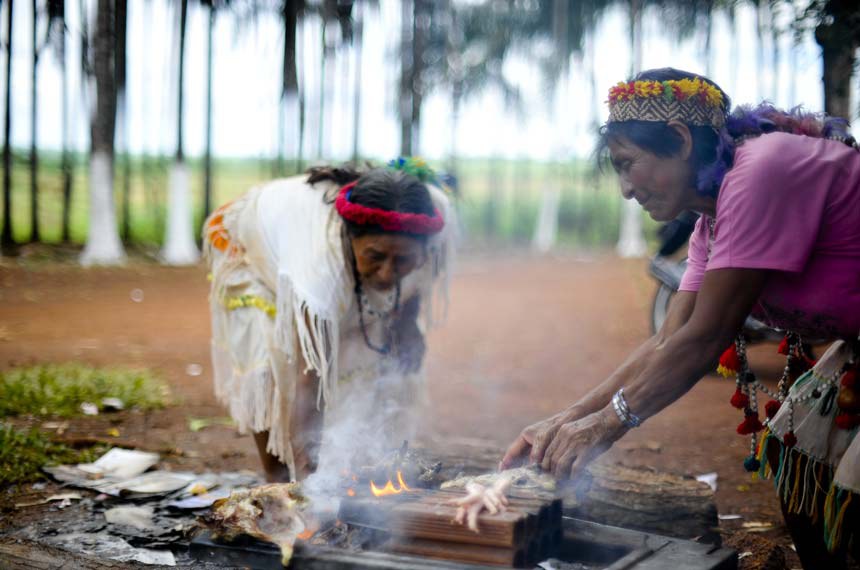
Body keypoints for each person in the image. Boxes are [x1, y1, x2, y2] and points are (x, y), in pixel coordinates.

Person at [501, 68, 860, 568]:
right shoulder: (708, 224)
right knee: (796, 454)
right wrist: (567, 421)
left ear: (679, 138)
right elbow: (669, 339)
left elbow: (705, 338)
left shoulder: (762, 172)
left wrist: (606, 426)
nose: (626, 189)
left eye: (628, 165)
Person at [204, 158, 455, 483]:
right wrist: (311, 477)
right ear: (350, 239)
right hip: (249, 247)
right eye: (375, 256)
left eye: (403, 259)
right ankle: (278, 486)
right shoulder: (319, 264)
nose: (387, 273)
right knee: (266, 366)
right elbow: (312, 377)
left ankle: (354, 463)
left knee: (379, 349)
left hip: (319, 255)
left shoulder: (436, 217)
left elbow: (420, 276)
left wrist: (407, 325)